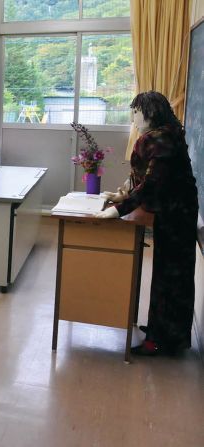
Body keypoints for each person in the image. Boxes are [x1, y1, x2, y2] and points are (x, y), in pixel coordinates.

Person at [96, 91, 198, 356]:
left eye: (137, 112)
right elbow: (148, 180)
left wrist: (119, 209)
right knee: (168, 275)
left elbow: (153, 184)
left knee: (170, 278)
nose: (134, 118)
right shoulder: (167, 134)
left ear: (150, 113)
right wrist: (125, 195)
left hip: (178, 217)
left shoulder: (162, 139)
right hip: (177, 213)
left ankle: (161, 341)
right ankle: (162, 332)